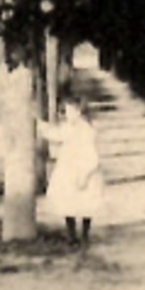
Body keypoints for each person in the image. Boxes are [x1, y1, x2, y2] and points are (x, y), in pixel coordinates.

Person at [43, 98, 106, 249]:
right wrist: (42, 128)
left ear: (79, 112)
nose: (68, 115)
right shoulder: (68, 127)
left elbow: (92, 155)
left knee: (86, 204)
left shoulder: (86, 130)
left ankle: (85, 235)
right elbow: (56, 135)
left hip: (83, 169)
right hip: (68, 168)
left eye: (71, 111)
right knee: (67, 201)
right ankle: (72, 235)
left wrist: (85, 174)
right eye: (66, 111)